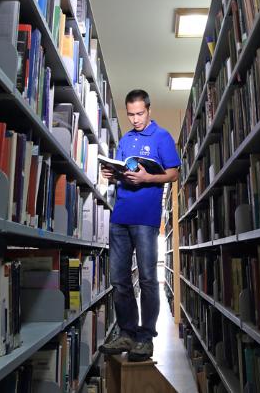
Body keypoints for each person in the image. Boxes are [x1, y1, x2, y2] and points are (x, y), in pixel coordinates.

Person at [98, 89, 181, 362]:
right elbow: (124, 172)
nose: (135, 119)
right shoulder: (125, 138)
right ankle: (127, 333)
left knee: (147, 279)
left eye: (140, 113)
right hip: (119, 216)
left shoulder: (162, 136)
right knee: (119, 280)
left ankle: (145, 339)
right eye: (131, 114)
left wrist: (146, 178)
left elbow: (173, 173)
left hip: (145, 218)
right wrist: (113, 175)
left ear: (149, 109)